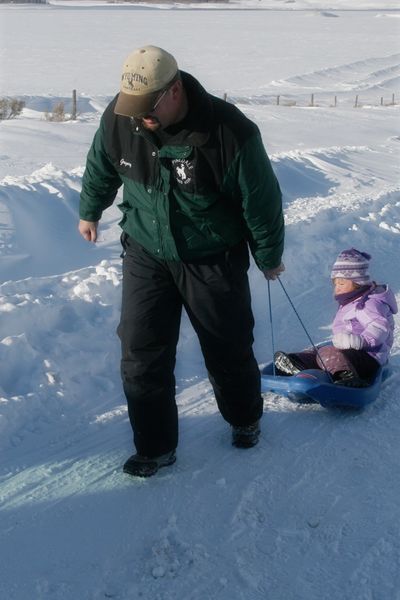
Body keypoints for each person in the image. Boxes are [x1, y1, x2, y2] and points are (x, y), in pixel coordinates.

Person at [79, 45, 284, 477]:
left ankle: (244, 417)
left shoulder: (230, 133)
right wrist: (90, 209)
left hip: (212, 256)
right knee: (141, 351)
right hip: (145, 252)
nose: (138, 117)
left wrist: (268, 254)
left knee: (226, 345)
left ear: (174, 91)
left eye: (147, 107)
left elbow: (260, 200)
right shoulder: (121, 119)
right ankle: (154, 447)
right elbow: (102, 163)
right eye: (131, 108)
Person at [274, 248, 397, 387]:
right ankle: (297, 364)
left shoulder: (369, 303)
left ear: (358, 283)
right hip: (350, 354)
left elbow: (380, 327)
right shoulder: (350, 300)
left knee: (329, 353)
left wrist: (359, 341)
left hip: (369, 358)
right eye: (336, 283)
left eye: (342, 283)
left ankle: (347, 379)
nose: (337, 288)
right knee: (318, 351)